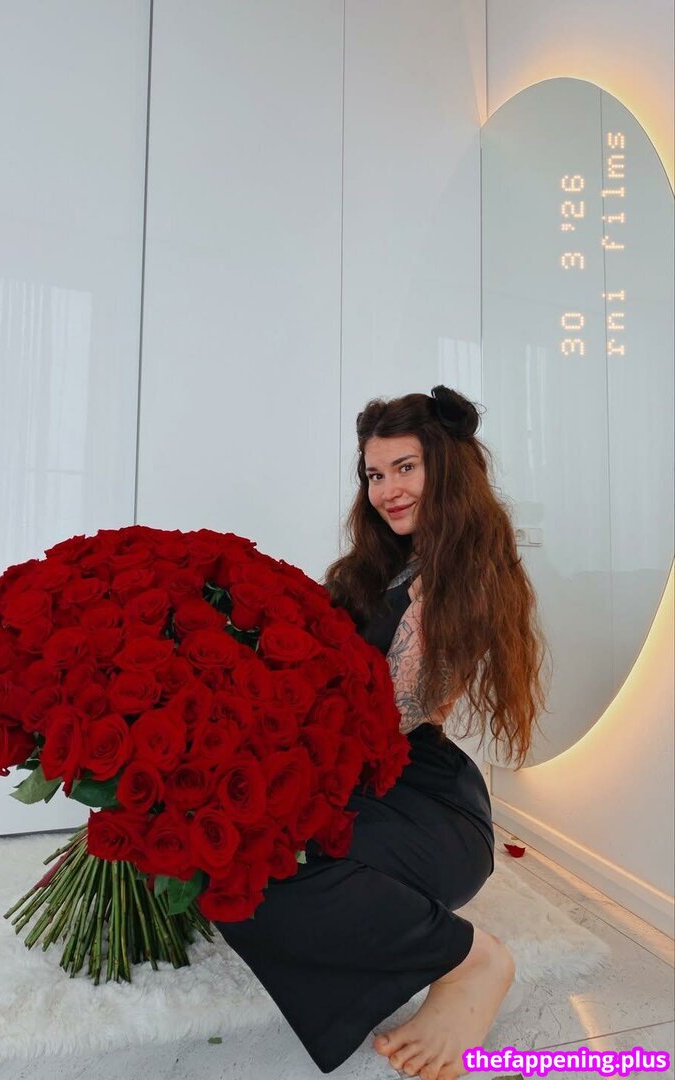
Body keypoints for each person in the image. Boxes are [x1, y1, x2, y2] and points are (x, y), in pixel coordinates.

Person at [210, 386, 550, 1078]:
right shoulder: (377, 568)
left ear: (446, 470)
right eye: (374, 474)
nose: (387, 490)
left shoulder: (461, 580)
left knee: (249, 870)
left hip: (422, 803)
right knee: (223, 857)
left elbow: (386, 715)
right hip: (356, 779)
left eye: (406, 467)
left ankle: (469, 959)